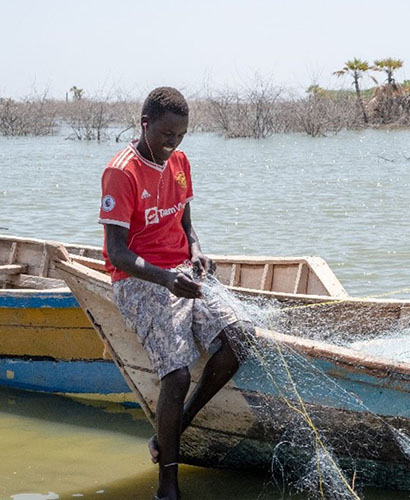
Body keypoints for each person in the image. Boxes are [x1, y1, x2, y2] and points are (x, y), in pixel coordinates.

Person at [99, 87, 254, 500]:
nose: (173, 144)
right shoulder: (122, 172)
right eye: (167, 134)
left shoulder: (181, 162)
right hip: (138, 280)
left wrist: (198, 252)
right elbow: (117, 252)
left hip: (183, 271)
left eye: (181, 135)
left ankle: (176, 426)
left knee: (240, 338)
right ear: (145, 124)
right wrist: (166, 280)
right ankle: (168, 484)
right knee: (178, 372)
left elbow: (187, 226)